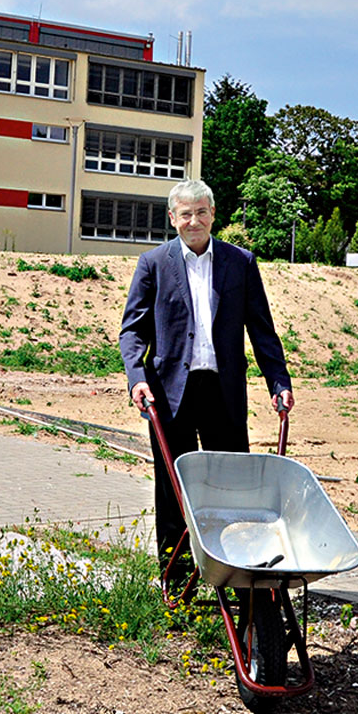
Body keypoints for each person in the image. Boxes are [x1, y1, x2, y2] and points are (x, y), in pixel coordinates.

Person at [119, 178, 294, 582]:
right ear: (172, 218)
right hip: (170, 395)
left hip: (223, 393)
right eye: (185, 214)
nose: (194, 221)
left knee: (232, 491)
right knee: (173, 492)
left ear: (213, 214)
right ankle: (177, 588)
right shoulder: (153, 264)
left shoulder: (240, 263)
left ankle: (236, 581)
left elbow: (262, 330)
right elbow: (132, 331)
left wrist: (278, 382)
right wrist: (136, 378)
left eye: (201, 212)